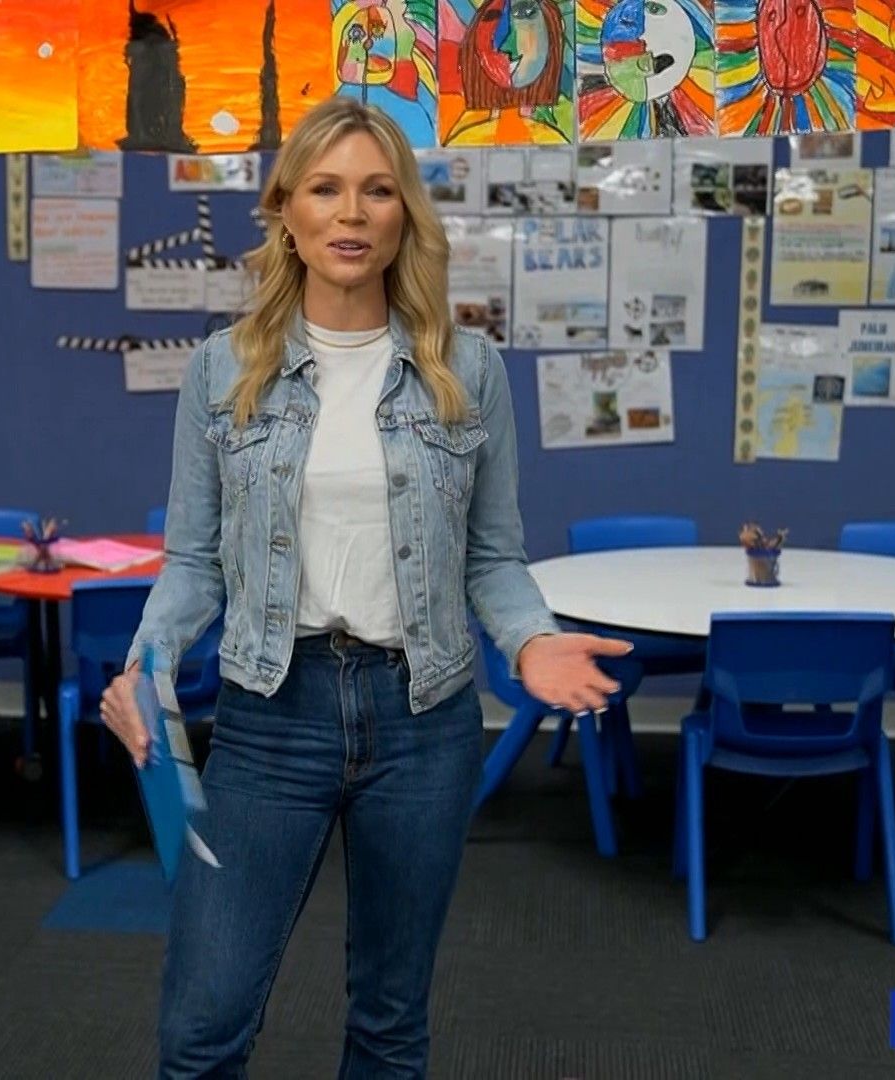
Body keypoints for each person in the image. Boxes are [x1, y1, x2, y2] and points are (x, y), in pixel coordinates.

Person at [97, 97, 633, 1077]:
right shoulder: (223, 369)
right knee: (202, 1026)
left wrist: (529, 638)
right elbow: (193, 560)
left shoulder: (467, 368)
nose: (351, 213)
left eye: (377, 190)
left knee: (389, 1021)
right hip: (271, 717)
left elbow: (492, 556)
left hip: (422, 720)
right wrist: (147, 665)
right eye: (326, 188)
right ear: (286, 212)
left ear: (404, 216)